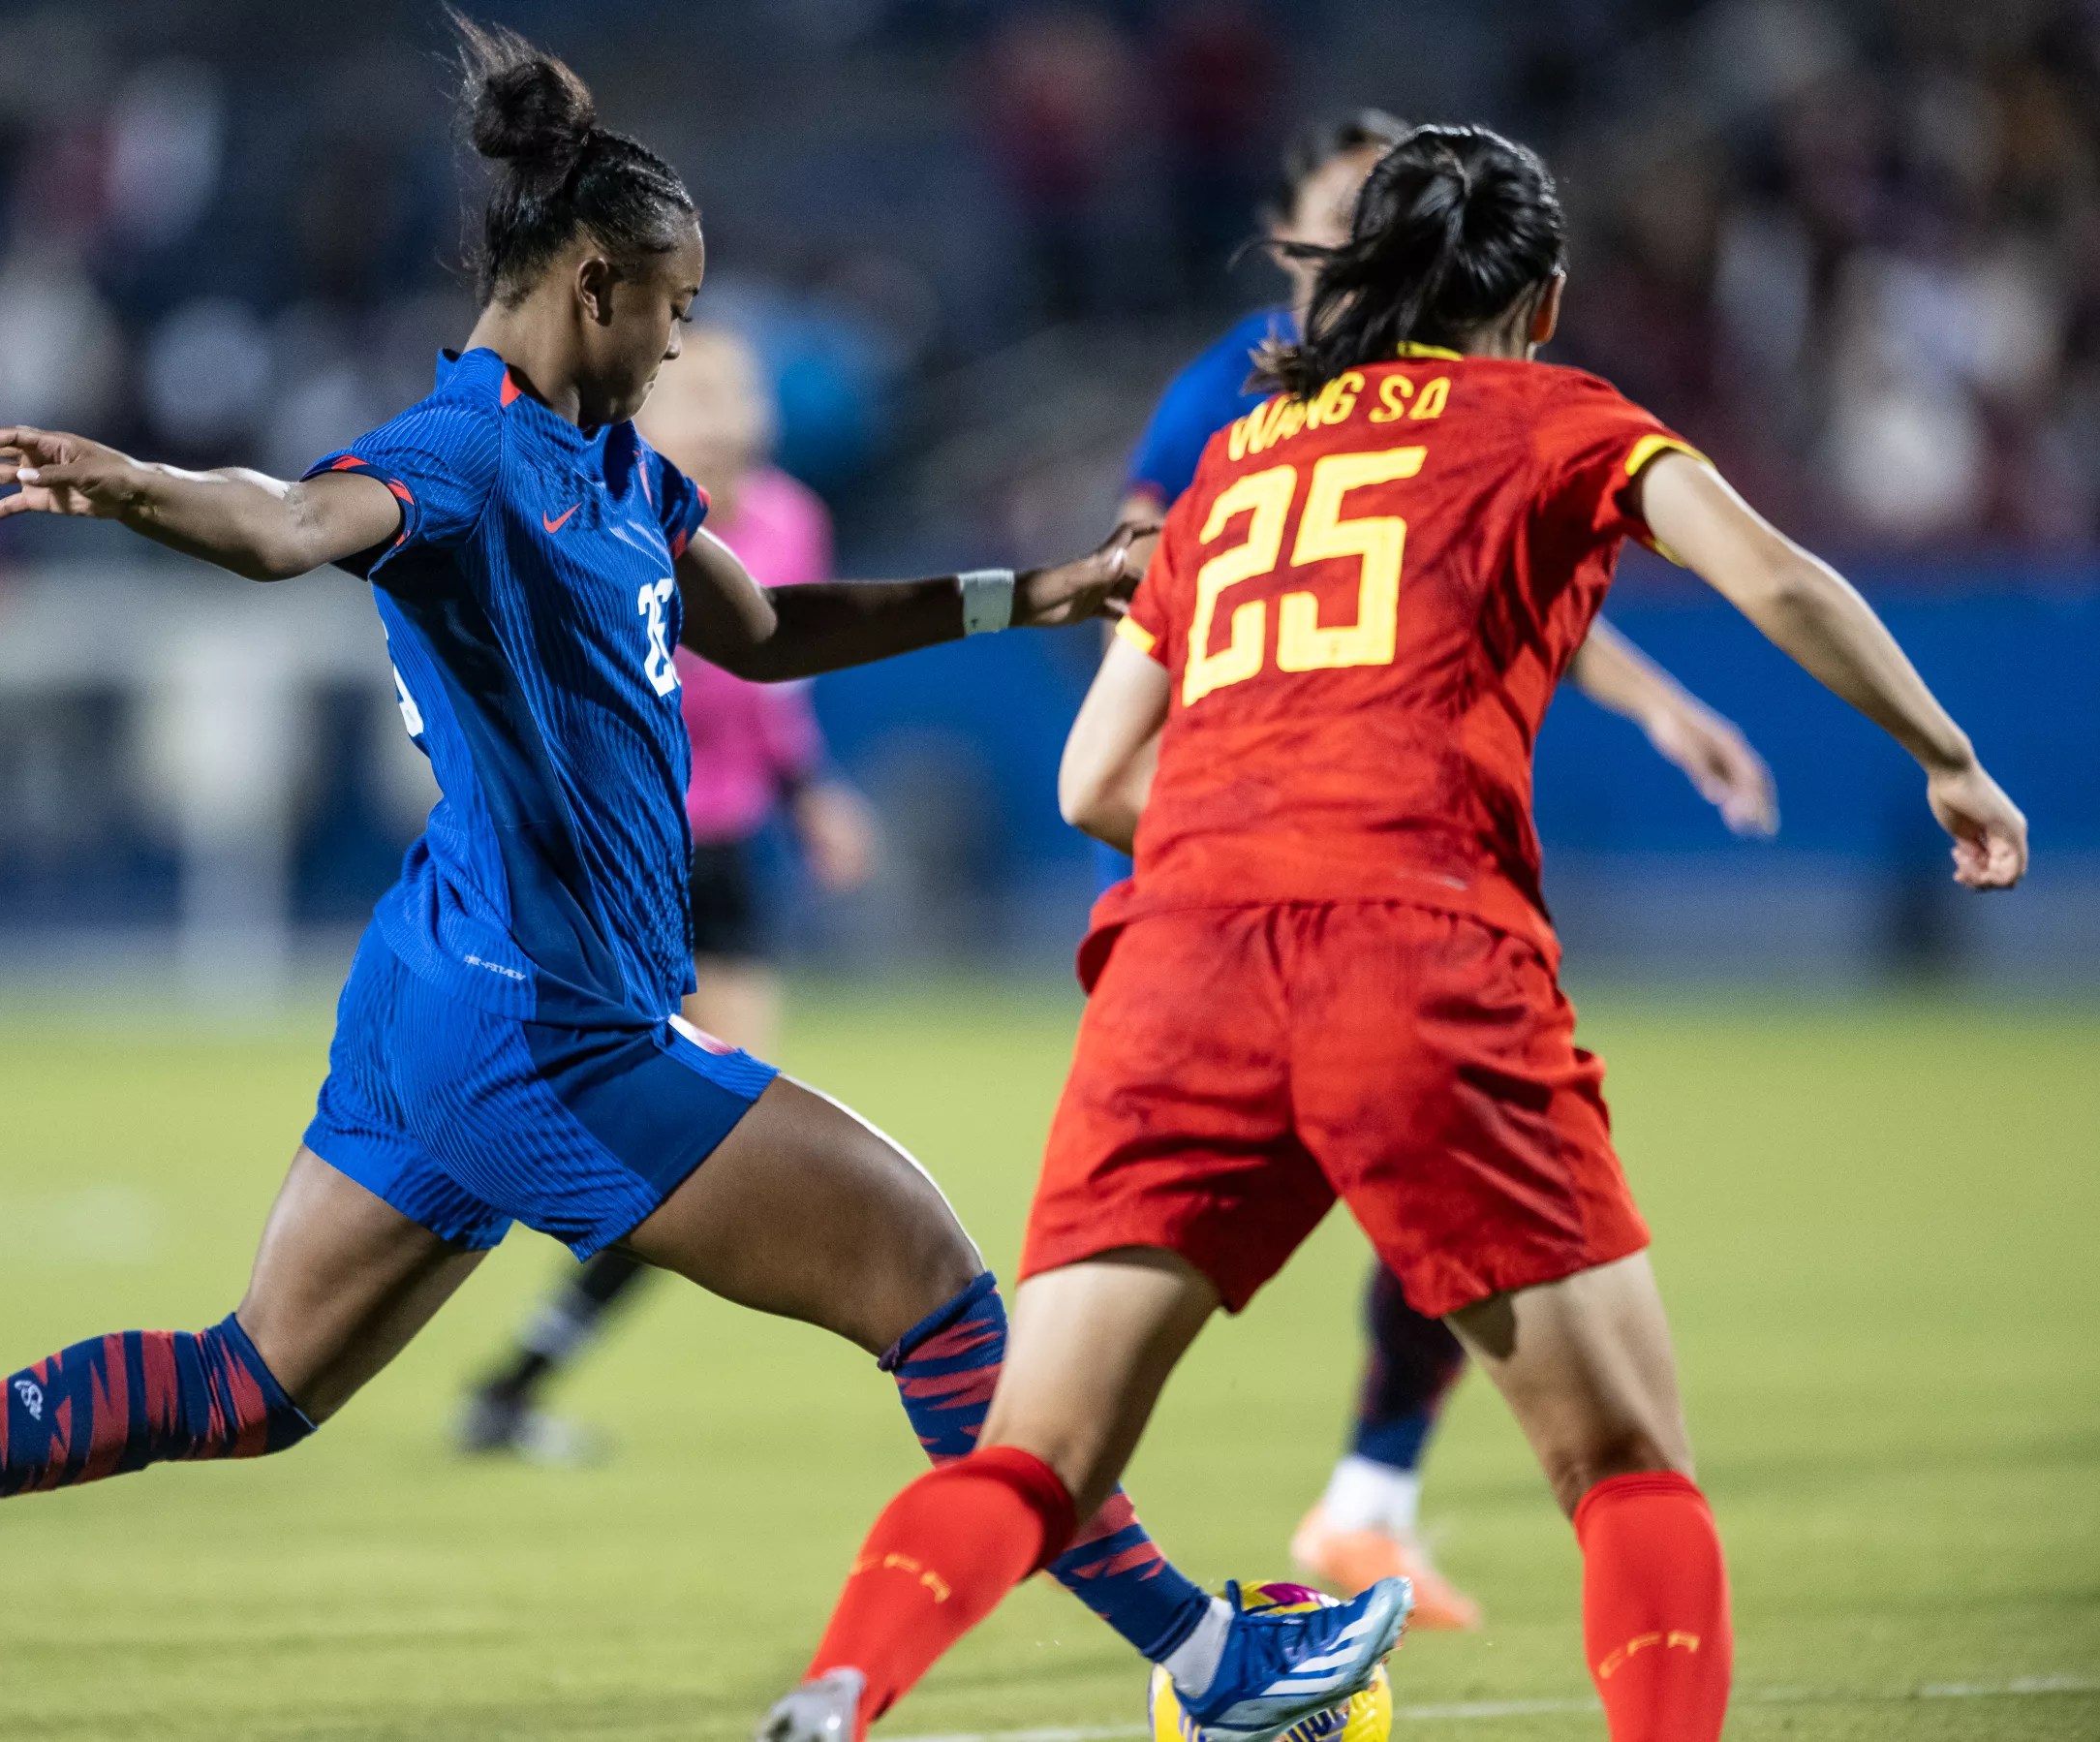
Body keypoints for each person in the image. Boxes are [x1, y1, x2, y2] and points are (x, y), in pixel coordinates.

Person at [0, 22, 1383, 1722]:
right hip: (547, 1028)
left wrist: (1036, 589)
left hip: (448, 989)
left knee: (253, 1379)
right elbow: (288, 521)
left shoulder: (616, 464)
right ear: (592, 283)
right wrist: (139, 490)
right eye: (673, 309)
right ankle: (1209, 1658)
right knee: (928, 1277)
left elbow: (765, 630)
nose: (681, 341)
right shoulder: (466, 453)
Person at [757, 124, 2026, 1742]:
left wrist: (1246, 842)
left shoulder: (1241, 455)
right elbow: (1773, 579)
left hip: (1180, 960)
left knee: (1036, 1453)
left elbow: (1091, 781)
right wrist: (1946, 756)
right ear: (1540, 300)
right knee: (1623, 1464)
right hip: (1412, 949)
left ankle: (841, 1687)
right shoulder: (1560, 415)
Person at [1118, 109, 1778, 1633]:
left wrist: (1658, 702)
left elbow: (1472, 568)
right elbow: (1146, 580)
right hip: (1232, 859)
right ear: (1298, 230)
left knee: (1425, 1196)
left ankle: (1359, 1505)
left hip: (1356, 871)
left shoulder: (1449, 398)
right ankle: (1250, 1560)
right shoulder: (1229, 394)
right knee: (1376, 1196)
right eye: (1346, 207)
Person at [454, 323, 880, 1462]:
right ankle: (482, 1346)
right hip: (608, 857)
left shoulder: (789, 519)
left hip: (723, 858)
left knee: (712, 1128)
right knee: (638, 1123)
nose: (727, 419)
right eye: (701, 397)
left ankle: (516, 1379)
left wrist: (811, 797)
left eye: (742, 395)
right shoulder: (596, 514)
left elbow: (776, 683)